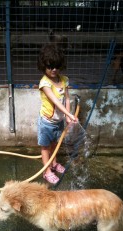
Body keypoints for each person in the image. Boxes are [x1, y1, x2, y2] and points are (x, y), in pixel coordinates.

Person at [37, 43, 78, 185]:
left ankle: (53, 164)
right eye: (50, 66)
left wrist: (67, 116)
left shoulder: (64, 80)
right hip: (47, 122)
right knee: (45, 147)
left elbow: (66, 98)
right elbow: (56, 101)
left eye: (57, 66)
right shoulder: (45, 83)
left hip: (59, 121)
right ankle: (46, 171)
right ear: (43, 65)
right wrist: (68, 114)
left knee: (56, 143)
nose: (54, 70)